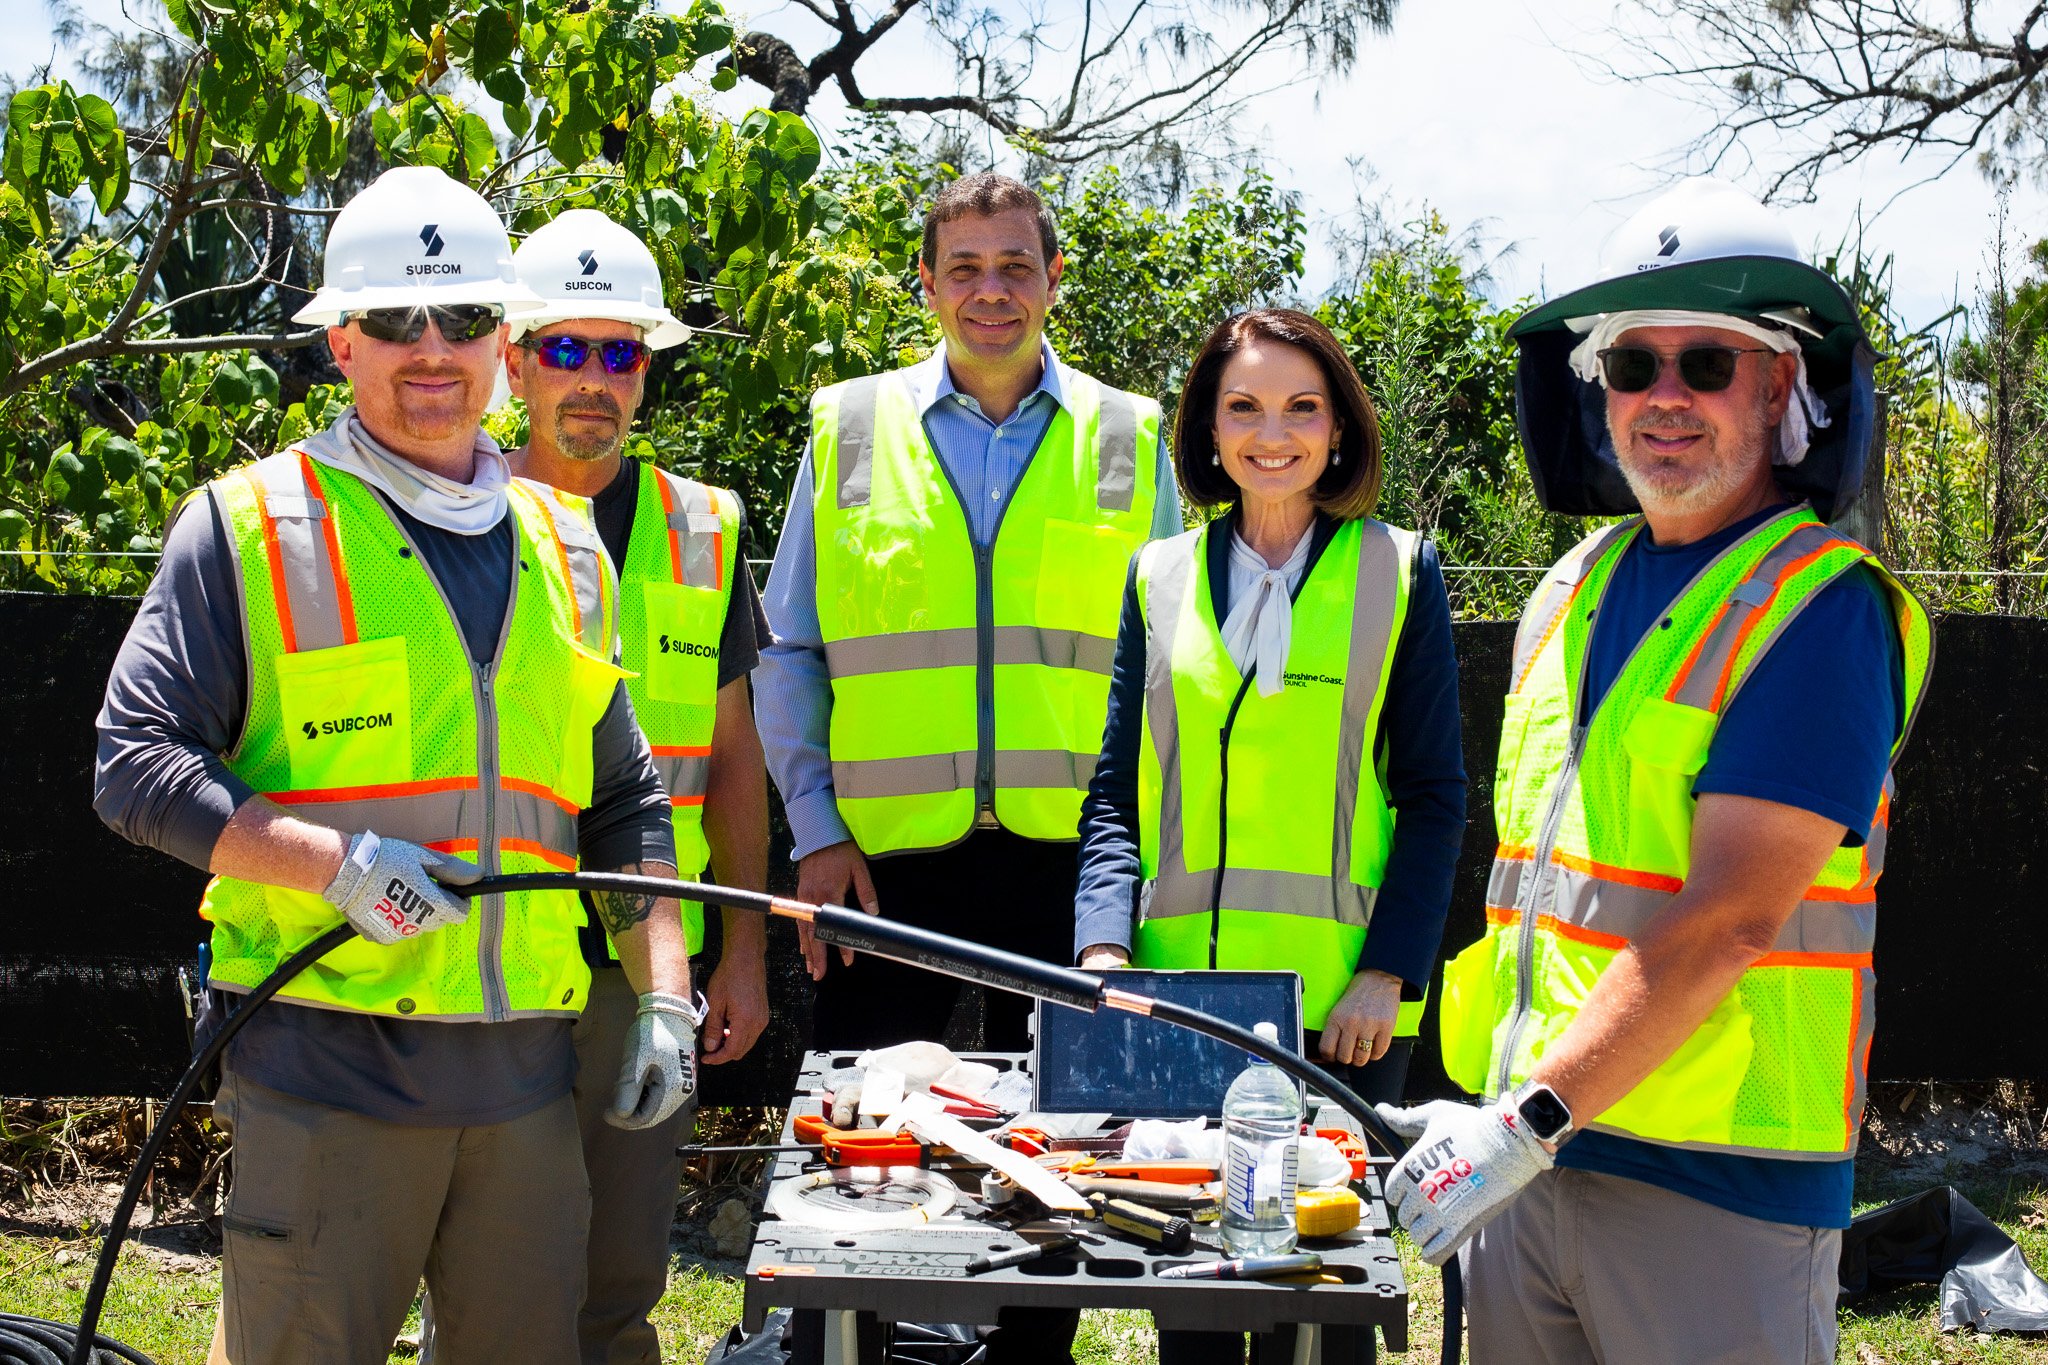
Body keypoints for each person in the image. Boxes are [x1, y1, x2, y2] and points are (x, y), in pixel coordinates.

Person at [93, 166, 699, 1365]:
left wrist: (666, 993)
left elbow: (624, 796)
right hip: (325, 1069)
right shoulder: (250, 526)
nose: (433, 350)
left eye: (466, 317)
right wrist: (334, 864)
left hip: (525, 1082)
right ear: (340, 344)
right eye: (395, 321)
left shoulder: (567, 547)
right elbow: (133, 765)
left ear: (504, 342)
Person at [1378, 178, 1935, 1365]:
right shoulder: (1569, 588)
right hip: (1530, 1164)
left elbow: (1728, 921)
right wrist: (1501, 1122)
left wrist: (1523, 1121)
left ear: (1781, 384)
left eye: (1705, 364)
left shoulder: (1817, 610)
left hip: (1712, 1184)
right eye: (1632, 367)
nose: (1663, 397)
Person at [754, 170, 1181, 1363]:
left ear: (1051, 279)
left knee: (1061, 1141)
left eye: (1013, 267)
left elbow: (1164, 664)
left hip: (1069, 863)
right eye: (964, 269)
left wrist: (1136, 857)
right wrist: (815, 832)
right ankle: (842, 1349)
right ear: (928, 285)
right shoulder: (847, 427)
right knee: (857, 1135)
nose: (990, 292)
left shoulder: (1126, 433)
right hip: (885, 862)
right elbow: (792, 649)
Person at [1073, 308, 1467, 1365]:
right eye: (1241, 406)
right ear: (1207, 429)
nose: (1271, 432)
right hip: (1177, 1004)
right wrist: (1101, 949)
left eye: (1301, 406)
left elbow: (1436, 798)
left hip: (1341, 1010)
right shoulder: (1154, 578)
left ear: (1338, 428)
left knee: (1320, 1306)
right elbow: (1115, 791)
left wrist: (1386, 973)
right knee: (1192, 1301)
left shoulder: (1398, 571)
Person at [502, 207, 773, 1365]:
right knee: (491, 1271)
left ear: (647, 372)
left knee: (616, 1276)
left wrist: (741, 955)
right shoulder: (452, 512)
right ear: (511, 357)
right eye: (564, 348)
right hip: (489, 957)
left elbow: (736, 765)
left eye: (619, 354)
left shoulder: (703, 529)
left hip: (640, 964)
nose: (592, 380)